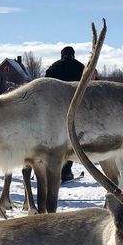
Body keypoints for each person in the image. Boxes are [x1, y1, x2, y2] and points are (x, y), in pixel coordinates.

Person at [45, 45, 85, 180]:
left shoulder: (54, 67)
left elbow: (46, 86)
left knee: (55, 139)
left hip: (55, 109)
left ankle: (52, 168)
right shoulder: (81, 67)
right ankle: (66, 171)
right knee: (70, 139)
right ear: (73, 54)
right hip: (75, 108)